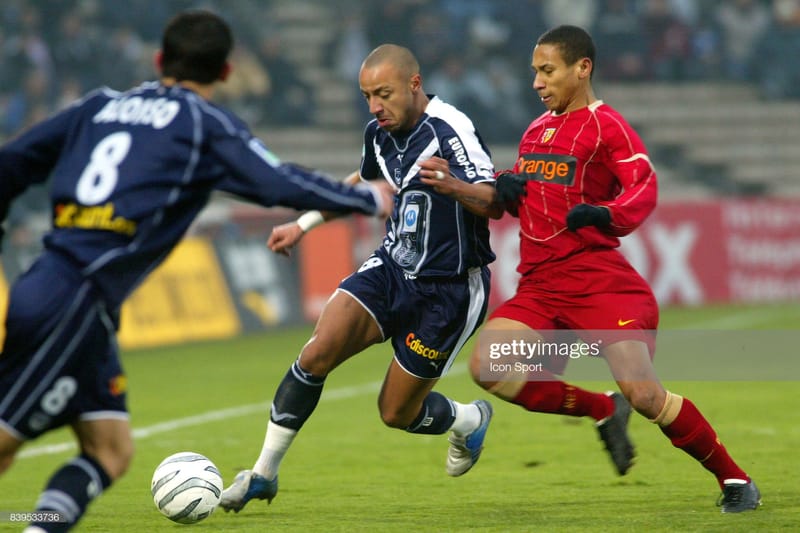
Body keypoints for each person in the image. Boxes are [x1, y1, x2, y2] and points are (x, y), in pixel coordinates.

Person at [0, 10, 393, 532]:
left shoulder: (98, 106)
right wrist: (364, 197)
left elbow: (12, 164)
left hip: (73, 301)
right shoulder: (203, 124)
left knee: (111, 451)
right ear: (226, 73)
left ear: (159, 60)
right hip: (72, 298)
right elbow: (275, 181)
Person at [469, 25, 760, 513]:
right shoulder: (535, 131)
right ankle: (602, 409)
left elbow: (641, 184)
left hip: (599, 284)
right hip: (541, 288)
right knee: (489, 367)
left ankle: (735, 480)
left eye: (548, 71)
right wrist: (504, 183)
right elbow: (531, 195)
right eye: (535, 73)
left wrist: (607, 214)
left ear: (582, 68)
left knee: (645, 394)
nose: (538, 83)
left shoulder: (608, 127)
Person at [219, 43, 502, 512]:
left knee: (396, 413)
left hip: (449, 290)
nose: (375, 106)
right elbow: (361, 181)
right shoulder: (379, 133)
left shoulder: (452, 129)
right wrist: (303, 223)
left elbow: (493, 200)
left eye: (383, 93)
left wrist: (452, 185)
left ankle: (468, 420)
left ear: (414, 84)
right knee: (316, 353)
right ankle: (263, 475)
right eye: (367, 95)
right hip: (392, 268)